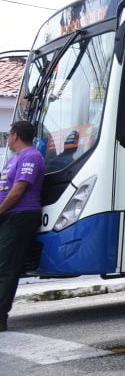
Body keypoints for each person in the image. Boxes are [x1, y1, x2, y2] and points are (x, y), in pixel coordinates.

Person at [0, 121, 45, 332]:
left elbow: (18, 191)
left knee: (7, 267)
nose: (7, 138)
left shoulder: (30, 157)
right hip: (9, 216)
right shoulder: (14, 159)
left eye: (8, 135)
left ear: (15, 136)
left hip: (20, 216)